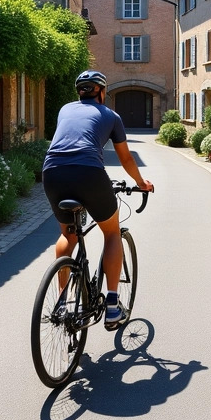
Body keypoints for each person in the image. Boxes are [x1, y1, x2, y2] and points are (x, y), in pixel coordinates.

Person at [42, 70, 154, 330]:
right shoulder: (111, 116)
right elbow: (126, 158)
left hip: (52, 172)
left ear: (79, 91)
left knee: (67, 234)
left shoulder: (65, 110)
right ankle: (113, 308)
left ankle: (63, 300)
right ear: (102, 92)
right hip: (89, 173)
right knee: (112, 233)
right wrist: (141, 183)